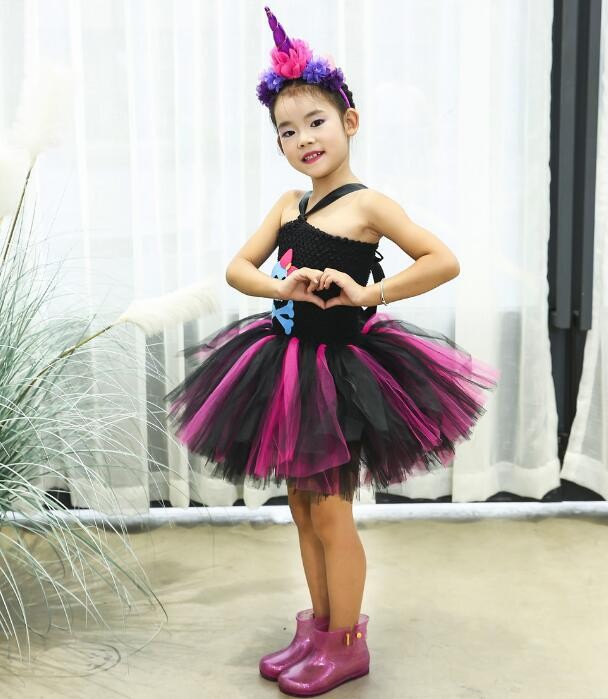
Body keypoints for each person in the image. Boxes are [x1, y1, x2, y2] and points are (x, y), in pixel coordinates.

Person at [164, 6, 500, 696]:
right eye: (287, 131)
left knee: (330, 509)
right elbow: (238, 269)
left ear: (350, 121)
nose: (303, 139)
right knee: (300, 504)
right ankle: (317, 626)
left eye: (316, 121)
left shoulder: (368, 204)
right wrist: (279, 284)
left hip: (341, 373)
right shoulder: (288, 204)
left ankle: (346, 641)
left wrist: (367, 292)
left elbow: (442, 260)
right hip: (283, 364)